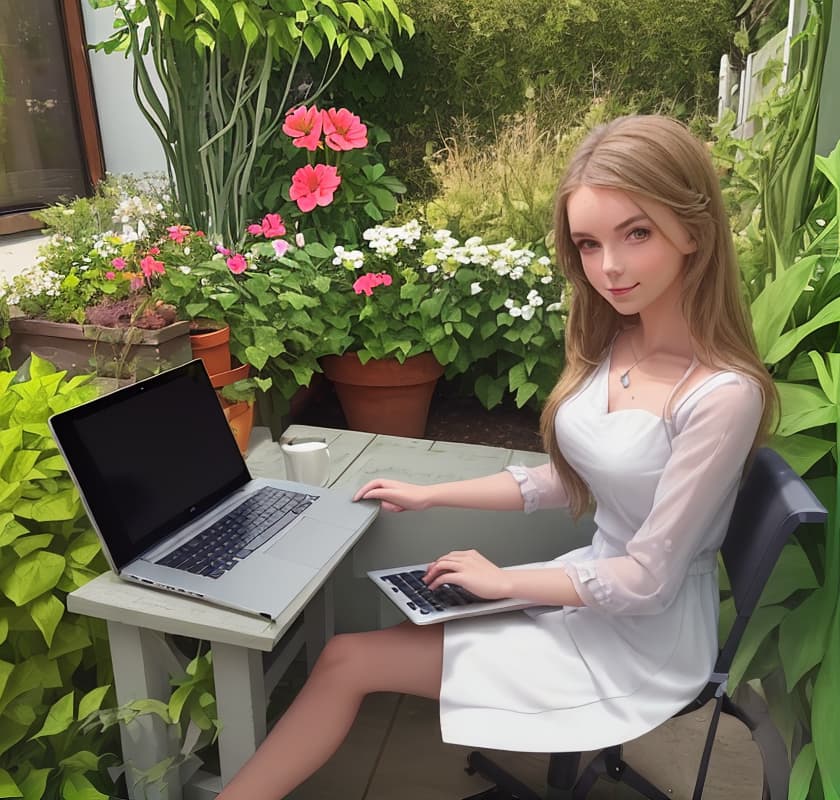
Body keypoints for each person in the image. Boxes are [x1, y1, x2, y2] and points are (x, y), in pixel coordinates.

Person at [217, 114, 777, 798]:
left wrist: (505, 581)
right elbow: (567, 480)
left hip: (642, 639)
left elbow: (646, 582)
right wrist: (431, 494)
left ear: (693, 229)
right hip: (584, 588)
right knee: (400, 626)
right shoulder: (618, 342)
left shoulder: (721, 395)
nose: (610, 268)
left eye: (638, 233)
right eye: (589, 243)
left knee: (347, 657)